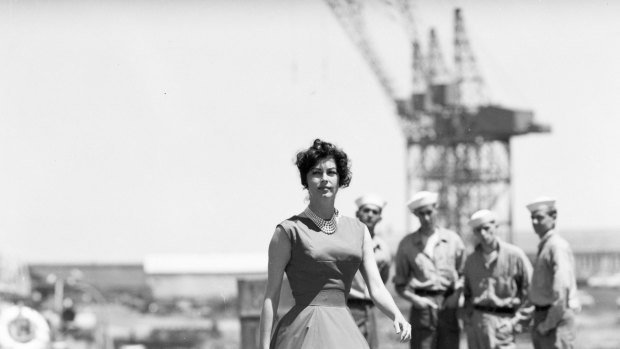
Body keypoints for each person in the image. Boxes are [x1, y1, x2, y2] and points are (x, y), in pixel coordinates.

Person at [258, 139, 411, 349]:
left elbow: (376, 287)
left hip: (345, 329)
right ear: (306, 180)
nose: (324, 179)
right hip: (302, 331)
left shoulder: (359, 231)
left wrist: (397, 315)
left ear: (340, 179)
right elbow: (271, 296)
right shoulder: (287, 231)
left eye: (331, 172)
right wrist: (263, 346)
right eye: (316, 173)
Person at [393, 191, 465, 349]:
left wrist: (457, 294)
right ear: (416, 215)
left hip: (449, 308)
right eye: (421, 214)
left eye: (429, 212)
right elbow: (400, 284)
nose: (426, 218)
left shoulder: (453, 240)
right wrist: (416, 300)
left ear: (436, 209)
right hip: (422, 311)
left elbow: (463, 274)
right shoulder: (407, 245)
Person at [462, 209, 533, 349]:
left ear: (496, 227)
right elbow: (466, 295)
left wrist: (517, 321)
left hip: (504, 324)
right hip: (477, 326)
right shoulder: (471, 261)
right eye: (478, 230)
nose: (483, 234)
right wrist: (469, 321)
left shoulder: (515, 256)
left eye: (486, 228)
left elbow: (531, 291)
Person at [527, 197, 579, 349]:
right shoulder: (545, 246)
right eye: (532, 218)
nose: (535, 222)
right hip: (545, 318)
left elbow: (561, 292)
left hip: (555, 321)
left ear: (553, 217)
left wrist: (547, 325)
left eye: (540, 217)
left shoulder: (556, 247)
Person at [348, 194, 392, 349]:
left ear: (380, 217)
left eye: (375, 212)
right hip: (349, 307)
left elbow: (382, 282)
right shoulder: (346, 243)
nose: (370, 215)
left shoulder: (383, 249)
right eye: (366, 210)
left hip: (371, 308)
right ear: (357, 214)